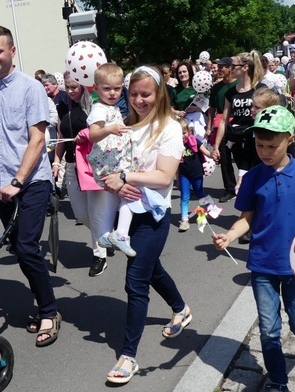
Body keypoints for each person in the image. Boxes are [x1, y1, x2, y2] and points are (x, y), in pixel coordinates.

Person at [212, 106, 295, 392]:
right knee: (269, 329)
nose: (264, 151)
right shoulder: (252, 178)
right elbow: (246, 219)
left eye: (271, 146)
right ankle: (278, 380)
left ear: (289, 139)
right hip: (262, 264)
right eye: (259, 145)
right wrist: (228, 236)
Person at [0, 25, 60, 348]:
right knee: (18, 249)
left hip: (31, 182)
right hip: (0, 186)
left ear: (12, 51)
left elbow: (37, 139)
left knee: (28, 246)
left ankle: (49, 311)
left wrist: (18, 180)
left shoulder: (31, 89)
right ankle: (42, 298)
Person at [98, 66, 191, 385]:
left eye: (146, 94)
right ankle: (181, 308)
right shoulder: (122, 125)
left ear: (159, 94)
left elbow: (164, 176)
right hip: (126, 212)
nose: (139, 100)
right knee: (151, 270)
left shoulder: (169, 128)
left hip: (154, 215)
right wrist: (113, 182)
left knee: (135, 280)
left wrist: (126, 177)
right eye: (134, 94)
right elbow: (109, 167)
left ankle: (128, 356)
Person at [87, 63, 147, 259]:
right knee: (129, 193)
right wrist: (109, 129)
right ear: (96, 89)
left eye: (117, 88)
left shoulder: (110, 107)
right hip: (111, 161)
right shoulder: (99, 109)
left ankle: (105, 234)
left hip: (113, 159)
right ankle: (121, 233)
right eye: (106, 88)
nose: (112, 93)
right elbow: (93, 134)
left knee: (114, 197)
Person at [52, 74, 108, 277]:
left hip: (93, 164)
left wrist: (85, 135)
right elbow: (60, 135)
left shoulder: (95, 106)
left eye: (74, 87)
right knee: (81, 214)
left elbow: (102, 132)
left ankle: (99, 255)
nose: (71, 90)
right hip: (71, 165)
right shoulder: (62, 107)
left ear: (83, 86)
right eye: (67, 87)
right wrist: (56, 161)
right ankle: (105, 236)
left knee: (95, 213)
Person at [212, 51, 265, 203]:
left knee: (252, 169)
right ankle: (232, 190)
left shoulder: (259, 88)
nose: (231, 68)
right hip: (235, 134)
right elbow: (223, 120)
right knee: (231, 161)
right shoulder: (231, 93)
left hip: (253, 136)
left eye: (233, 65)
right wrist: (216, 146)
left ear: (245, 67)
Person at [177, 117, 210, 232]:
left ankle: (203, 214)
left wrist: (213, 155)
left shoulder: (194, 141)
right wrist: (176, 178)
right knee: (184, 197)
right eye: (179, 133)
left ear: (189, 131)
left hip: (197, 173)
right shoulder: (176, 145)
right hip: (184, 175)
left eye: (184, 133)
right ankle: (184, 220)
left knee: (200, 193)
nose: (182, 136)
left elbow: (205, 151)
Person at [207, 57, 238, 145]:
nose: (218, 69)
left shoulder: (239, 85)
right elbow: (212, 108)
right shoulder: (216, 88)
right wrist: (209, 128)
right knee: (222, 155)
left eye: (221, 67)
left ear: (230, 68)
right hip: (220, 124)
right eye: (218, 67)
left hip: (235, 124)